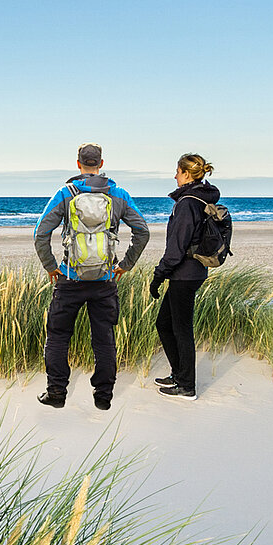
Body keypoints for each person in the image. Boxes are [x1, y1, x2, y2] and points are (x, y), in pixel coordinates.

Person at [33, 144, 151, 410]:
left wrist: (51, 266)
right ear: (101, 163)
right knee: (104, 339)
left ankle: (56, 392)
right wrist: (126, 264)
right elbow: (142, 232)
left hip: (70, 279)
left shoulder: (66, 193)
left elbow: (40, 233)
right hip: (106, 280)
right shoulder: (118, 194)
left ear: (78, 164)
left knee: (58, 336)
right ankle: (103, 396)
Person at [149, 153, 220, 400]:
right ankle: (179, 374)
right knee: (164, 324)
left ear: (187, 174)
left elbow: (176, 247)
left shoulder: (187, 203)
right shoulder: (200, 198)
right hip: (192, 272)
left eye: (177, 172)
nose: (175, 175)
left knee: (181, 329)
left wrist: (159, 275)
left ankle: (187, 386)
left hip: (185, 274)